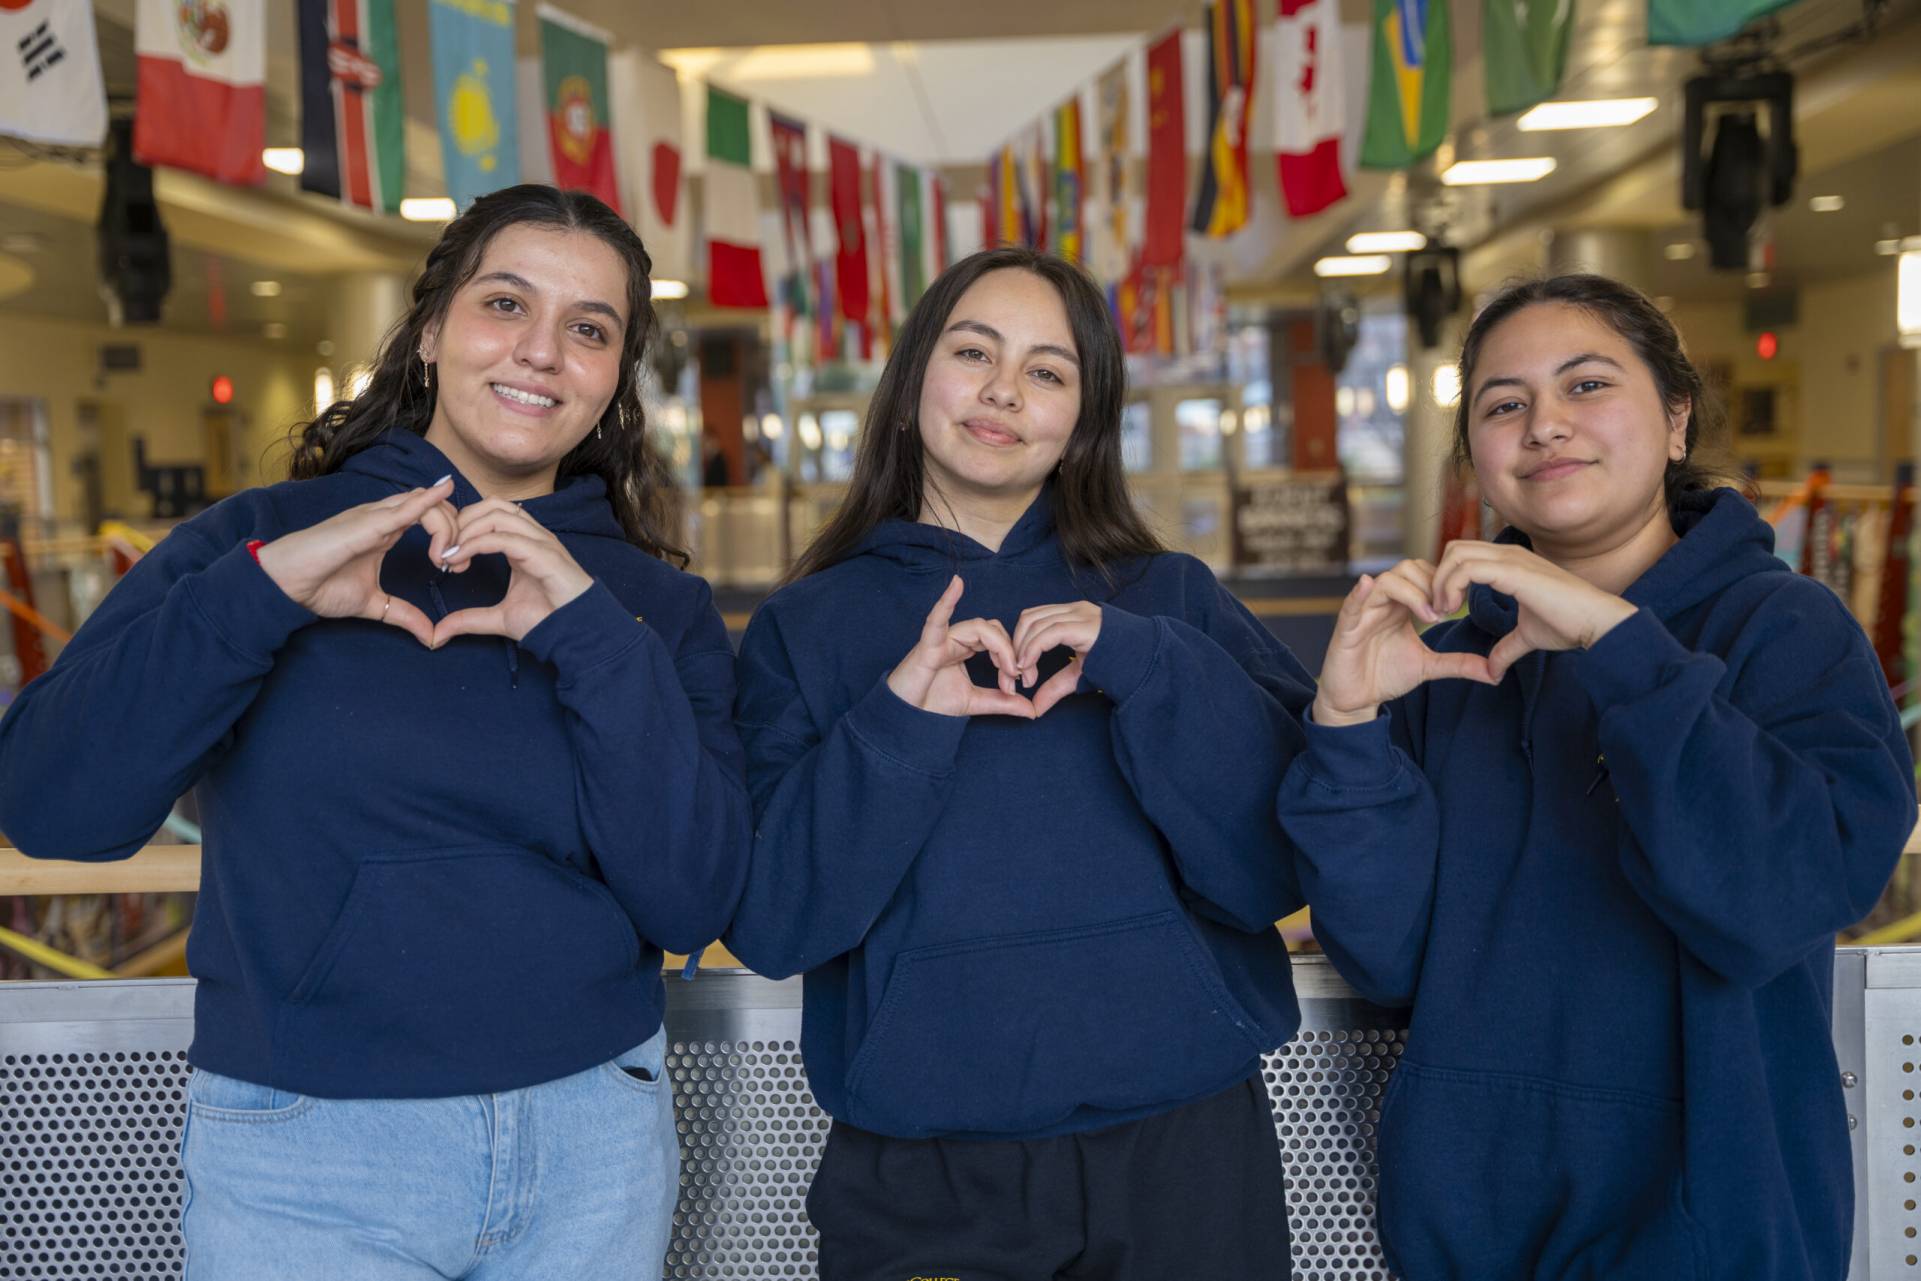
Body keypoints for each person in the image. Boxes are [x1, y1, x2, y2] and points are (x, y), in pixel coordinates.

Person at [0, 184, 751, 1279]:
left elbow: (691, 900)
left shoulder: (651, 609)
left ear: (613, 378)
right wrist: (262, 597)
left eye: (589, 329)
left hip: (590, 1144)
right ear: (432, 328)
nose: (542, 352)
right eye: (506, 304)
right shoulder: (256, 546)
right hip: (307, 1154)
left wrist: (591, 637)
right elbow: (51, 805)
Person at [1277, 273, 1915, 1280]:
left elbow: (1774, 897)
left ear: (1675, 418)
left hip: (1710, 1229)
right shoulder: (1444, 668)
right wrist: (1347, 723)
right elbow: (1388, 958)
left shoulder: (1785, 631)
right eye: (1504, 404)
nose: (1543, 425)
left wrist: (1617, 648)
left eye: (1585, 385)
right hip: (1469, 1228)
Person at [725, 246, 1313, 1280]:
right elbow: (773, 925)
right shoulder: (805, 627)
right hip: (924, 1172)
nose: (1003, 390)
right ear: (912, 380)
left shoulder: (1170, 600)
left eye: (1046, 371)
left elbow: (1274, 868)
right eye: (973, 352)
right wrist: (899, 719)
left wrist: (1146, 666)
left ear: (1083, 422)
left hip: (1186, 1149)